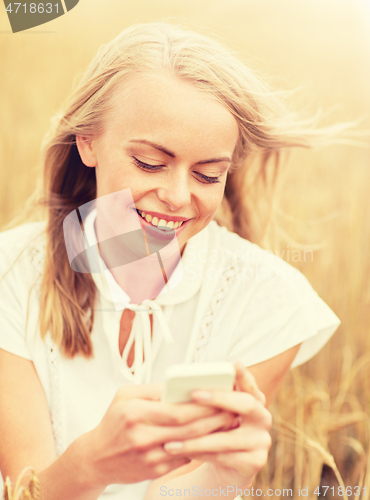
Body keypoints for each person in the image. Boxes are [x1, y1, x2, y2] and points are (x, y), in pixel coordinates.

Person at [0, 21, 343, 500]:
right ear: (88, 141)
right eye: (150, 164)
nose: (178, 197)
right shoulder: (10, 272)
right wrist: (91, 463)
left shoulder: (270, 301)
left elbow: (184, 490)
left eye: (207, 175)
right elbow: (26, 491)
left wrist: (224, 476)